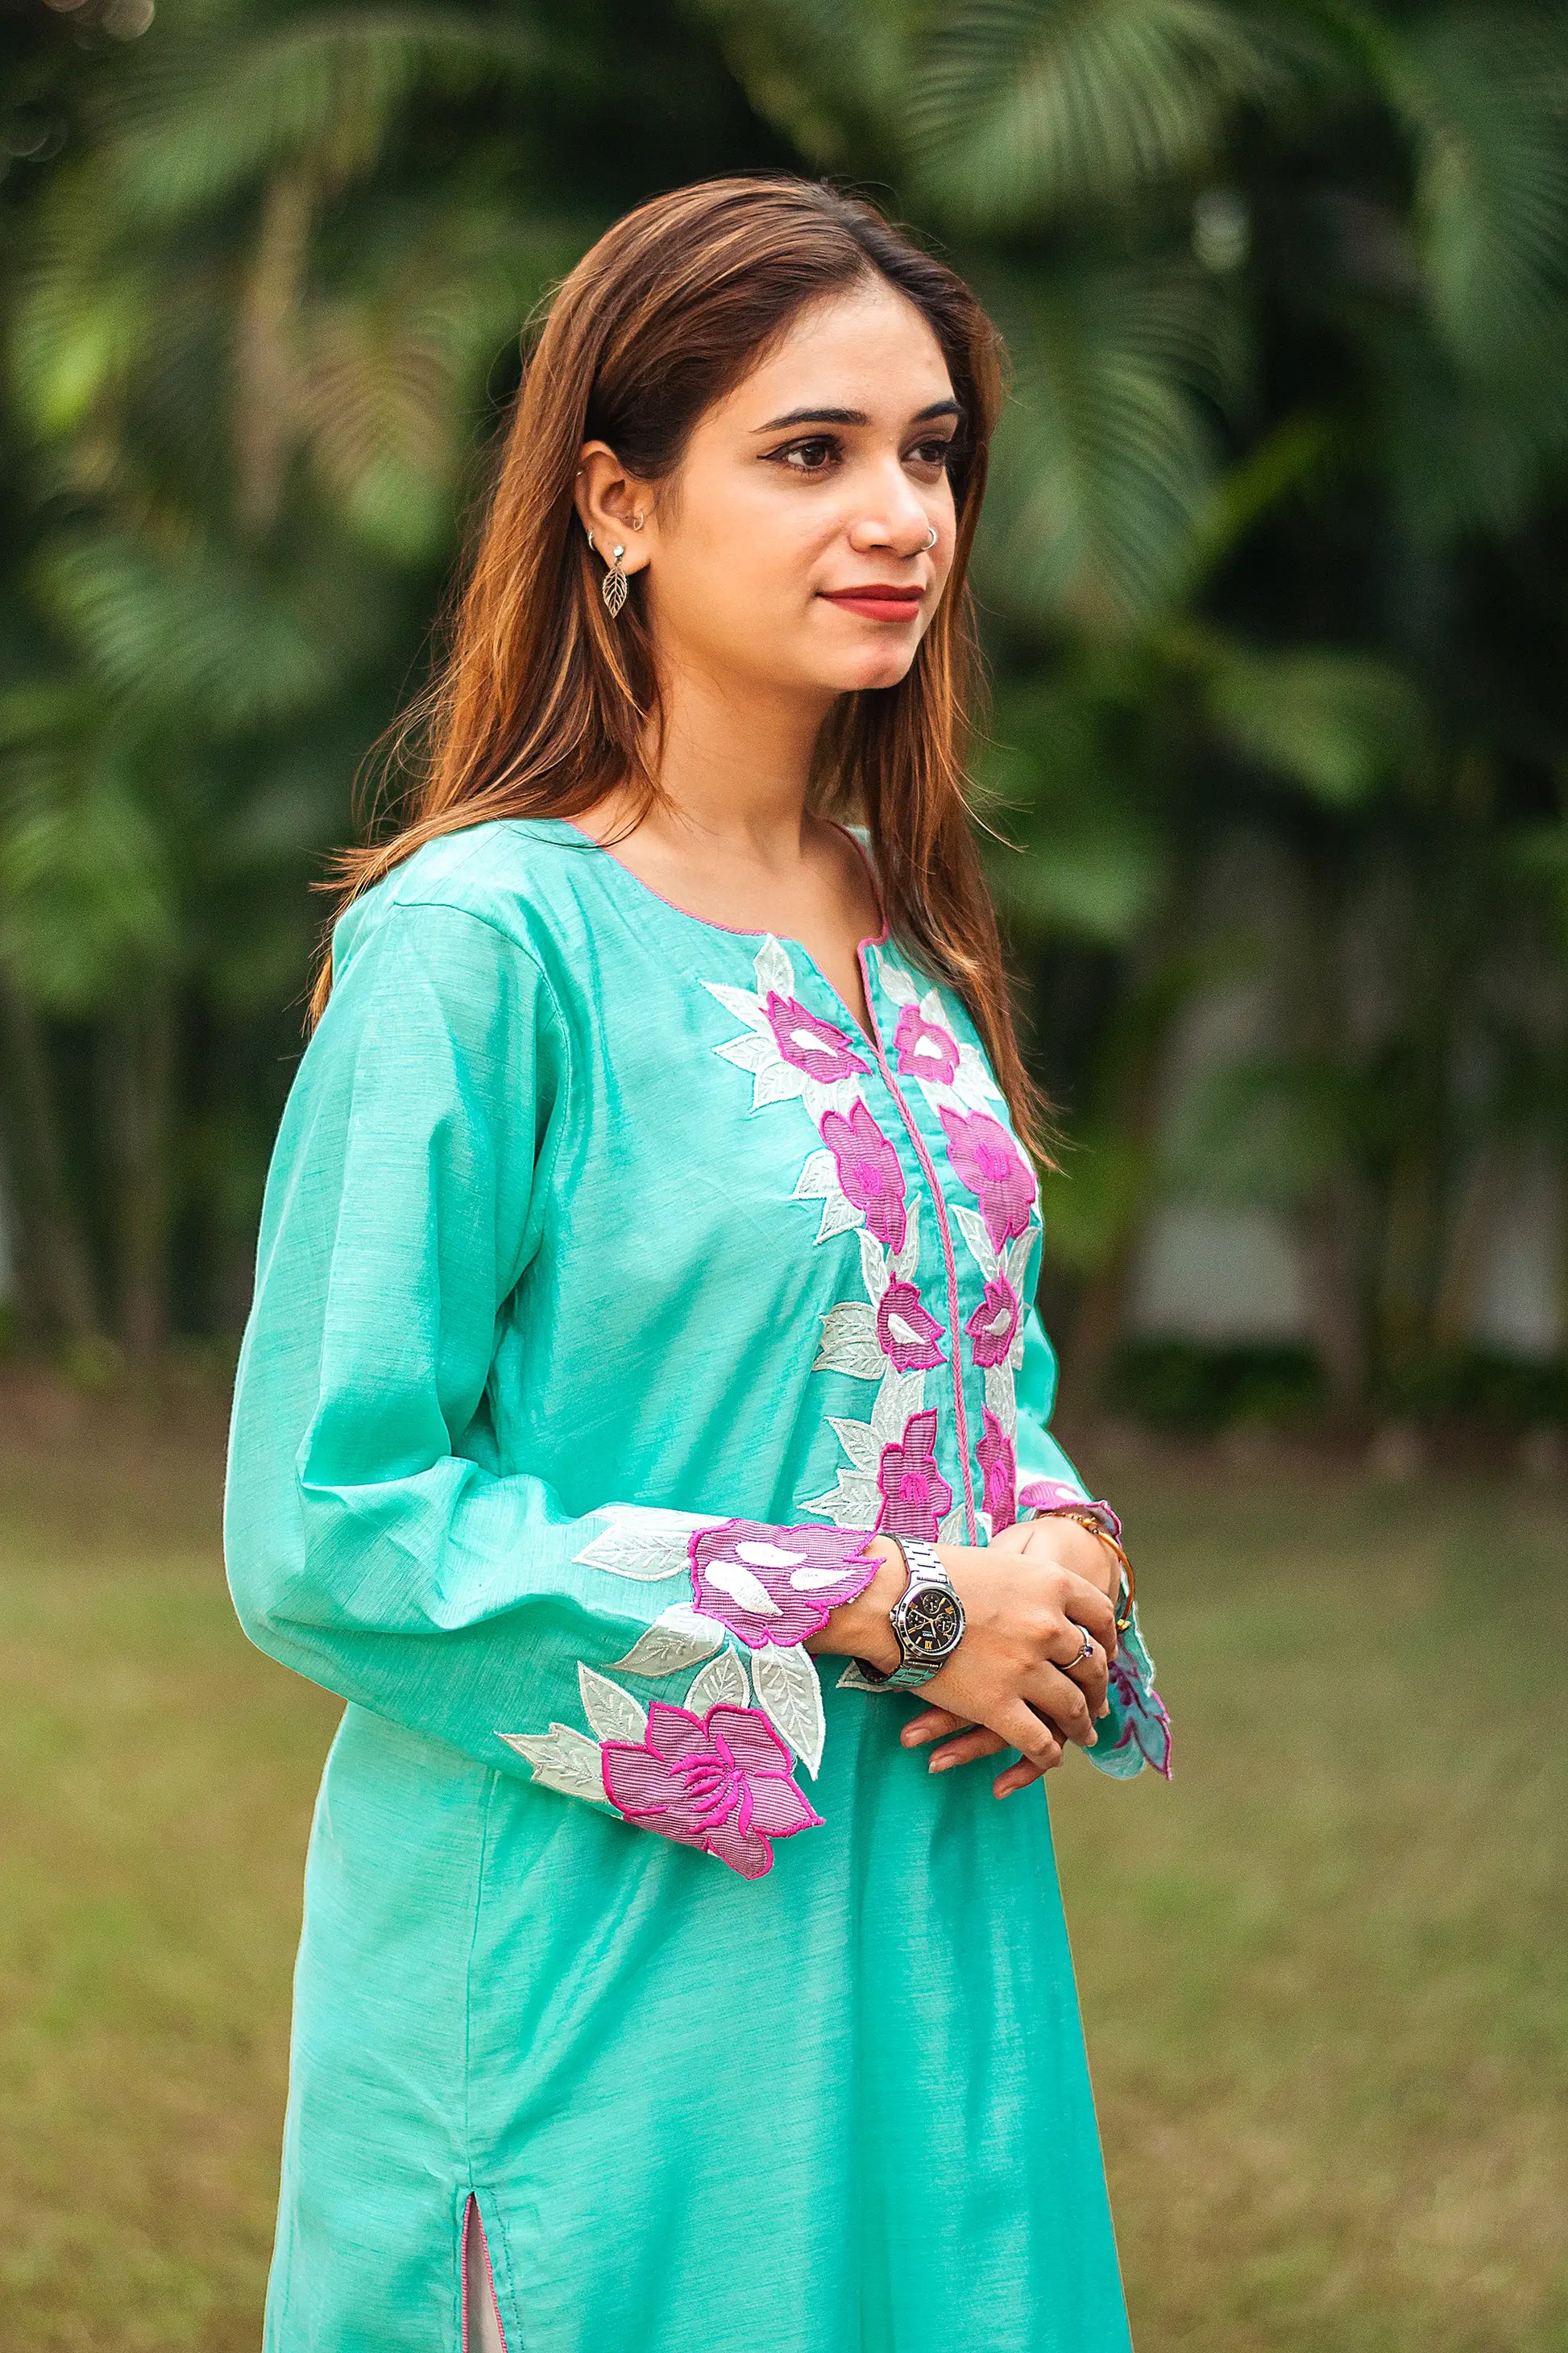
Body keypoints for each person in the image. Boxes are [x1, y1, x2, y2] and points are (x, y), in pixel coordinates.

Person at [223, 172, 1171, 2353]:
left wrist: (1045, 1541)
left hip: (924, 1945)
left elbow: (960, 1382)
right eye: (809, 450)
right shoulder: (483, 944)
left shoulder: (903, 928)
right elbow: (330, 1528)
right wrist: (879, 1598)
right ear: (616, 504)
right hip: (593, 1989)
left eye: (929, 451)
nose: (902, 513)